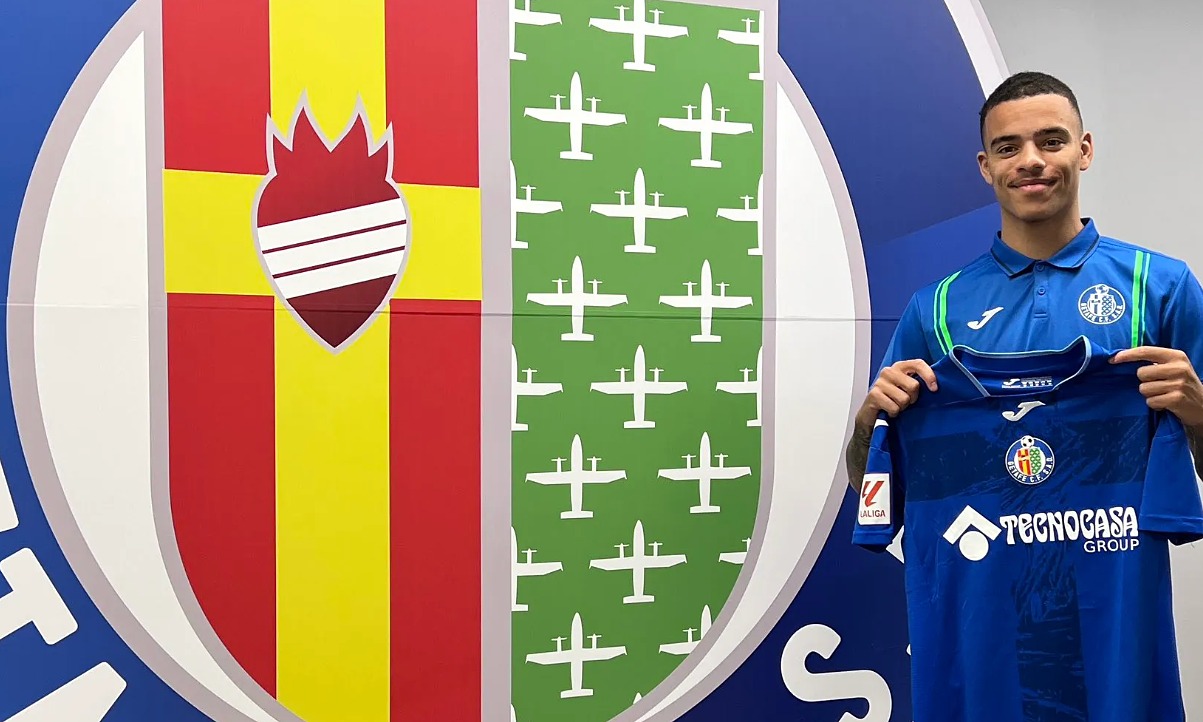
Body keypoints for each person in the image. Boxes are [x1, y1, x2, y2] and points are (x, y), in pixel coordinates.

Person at [845, 70, 1203, 493]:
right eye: (1008, 147)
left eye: (1051, 141)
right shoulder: (934, 308)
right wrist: (869, 425)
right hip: (981, 535)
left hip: (1122, 539)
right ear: (987, 167)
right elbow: (871, 488)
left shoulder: (1163, 287)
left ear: (1084, 150)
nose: (1030, 160)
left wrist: (1199, 414)